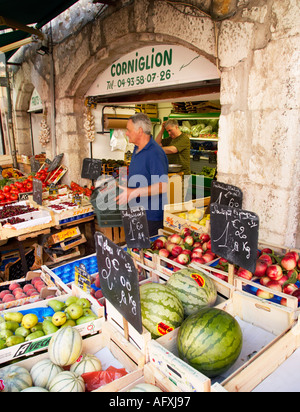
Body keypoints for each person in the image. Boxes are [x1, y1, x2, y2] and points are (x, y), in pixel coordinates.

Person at [116, 113, 169, 237]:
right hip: (136, 212)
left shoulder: (155, 153)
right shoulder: (137, 148)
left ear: (139, 131)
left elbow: (163, 186)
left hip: (150, 217)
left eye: (128, 130)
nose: (126, 133)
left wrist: (133, 192)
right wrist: (121, 183)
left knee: (147, 252)